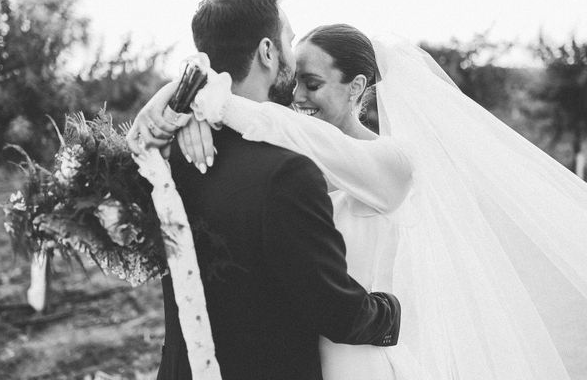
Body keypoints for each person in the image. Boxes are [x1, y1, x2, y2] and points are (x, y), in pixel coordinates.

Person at [181, 24, 587, 380]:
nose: (297, 96)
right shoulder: (292, 159)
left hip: (361, 357)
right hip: (298, 355)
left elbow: (315, 142)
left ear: (356, 87)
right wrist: (188, 114)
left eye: (313, 84)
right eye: (295, 83)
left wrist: (219, 102)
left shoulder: (394, 162)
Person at [127, 0, 407, 380]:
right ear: (267, 51)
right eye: (289, 41)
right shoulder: (287, 173)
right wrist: (395, 312)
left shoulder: (168, 151)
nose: (297, 90)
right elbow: (336, 311)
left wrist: (185, 93)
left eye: (313, 84)